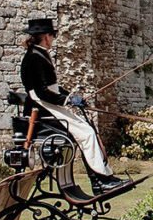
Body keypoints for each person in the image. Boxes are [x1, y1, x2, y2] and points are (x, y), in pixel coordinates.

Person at [20, 17, 123, 194]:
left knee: (87, 127)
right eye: (52, 36)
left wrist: (70, 96)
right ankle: (100, 181)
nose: (53, 39)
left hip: (48, 104)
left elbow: (52, 87)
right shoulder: (34, 57)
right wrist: (67, 101)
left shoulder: (38, 54)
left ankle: (102, 176)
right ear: (46, 36)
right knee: (87, 133)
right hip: (42, 107)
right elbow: (41, 92)